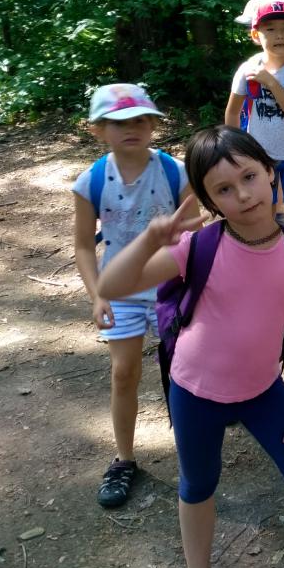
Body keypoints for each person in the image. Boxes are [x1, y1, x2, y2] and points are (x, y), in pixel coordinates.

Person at [96, 126, 284, 568]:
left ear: (270, 172)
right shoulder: (197, 246)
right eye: (224, 189)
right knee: (198, 484)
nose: (243, 195)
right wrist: (151, 239)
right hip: (194, 391)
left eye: (249, 177)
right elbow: (111, 285)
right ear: (209, 201)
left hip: (263, 390)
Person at [72, 83, 199, 509]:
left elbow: (196, 226)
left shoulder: (174, 171)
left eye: (142, 119)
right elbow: (84, 245)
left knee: (184, 371)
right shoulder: (90, 182)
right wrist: (97, 295)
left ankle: (195, 450)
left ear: (154, 125)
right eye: (119, 121)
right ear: (98, 129)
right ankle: (124, 459)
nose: (132, 128)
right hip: (121, 291)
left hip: (170, 287)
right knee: (123, 372)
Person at [225, 0, 284, 238]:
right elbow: (233, 112)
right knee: (265, 212)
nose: (279, 35)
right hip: (260, 156)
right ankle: (268, 255)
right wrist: (232, 151)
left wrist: (270, 82)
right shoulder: (247, 70)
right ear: (256, 35)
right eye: (270, 29)